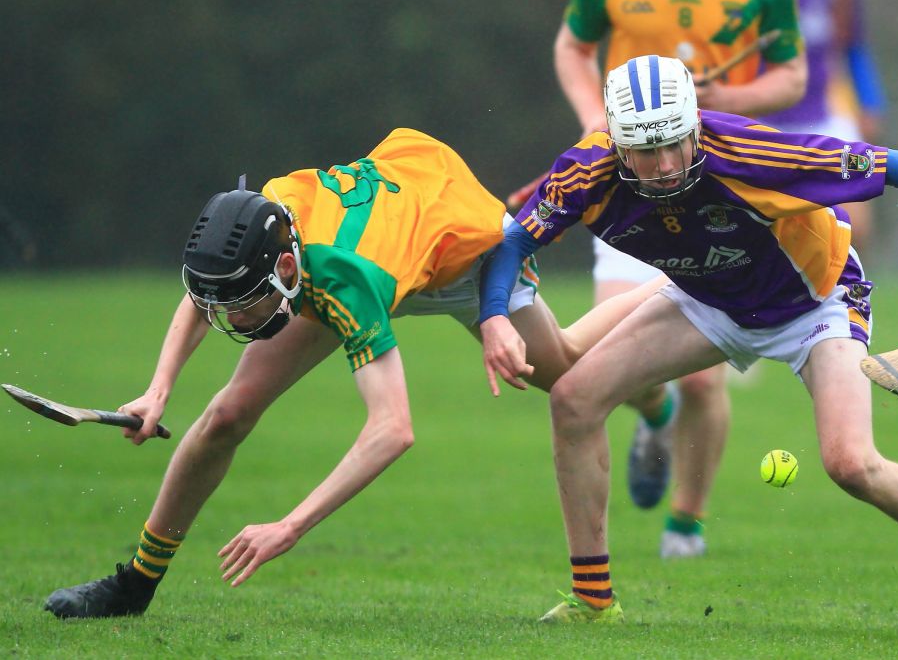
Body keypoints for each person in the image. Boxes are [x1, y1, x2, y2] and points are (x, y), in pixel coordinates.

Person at [479, 57, 898, 637]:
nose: (666, 165)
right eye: (646, 152)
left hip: (816, 301)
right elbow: (515, 239)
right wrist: (494, 316)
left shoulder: (751, 152)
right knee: (573, 400)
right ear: (617, 144)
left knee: (851, 465)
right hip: (711, 302)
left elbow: (897, 165)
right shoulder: (586, 173)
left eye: (676, 144)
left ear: (695, 126)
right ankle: (593, 600)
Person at [43, 127, 657, 619]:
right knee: (228, 413)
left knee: (569, 369)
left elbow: (392, 430)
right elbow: (207, 291)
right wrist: (159, 389)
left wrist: (290, 526)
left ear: (286, 266)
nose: (232, 316)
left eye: (245, 302)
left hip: (464, 253)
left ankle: (672, 292)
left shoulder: (342, 279)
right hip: (382, 238)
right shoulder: (267, 216)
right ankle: (135, 585)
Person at [544, 0, 806, 560]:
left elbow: (791, 75)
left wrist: (724, 102)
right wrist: (597, 116)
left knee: (703, 378)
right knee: (596, 365)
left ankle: (686, 524)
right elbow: (573, 45)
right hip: (629, 184)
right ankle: (649, 414)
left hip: (715, 182)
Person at [744, 0, 889, 251]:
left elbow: (854, 43)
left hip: (825, 107)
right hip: (759, 113)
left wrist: (871, 102)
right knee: (758, 218)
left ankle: (848, 294)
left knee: (856, 215)